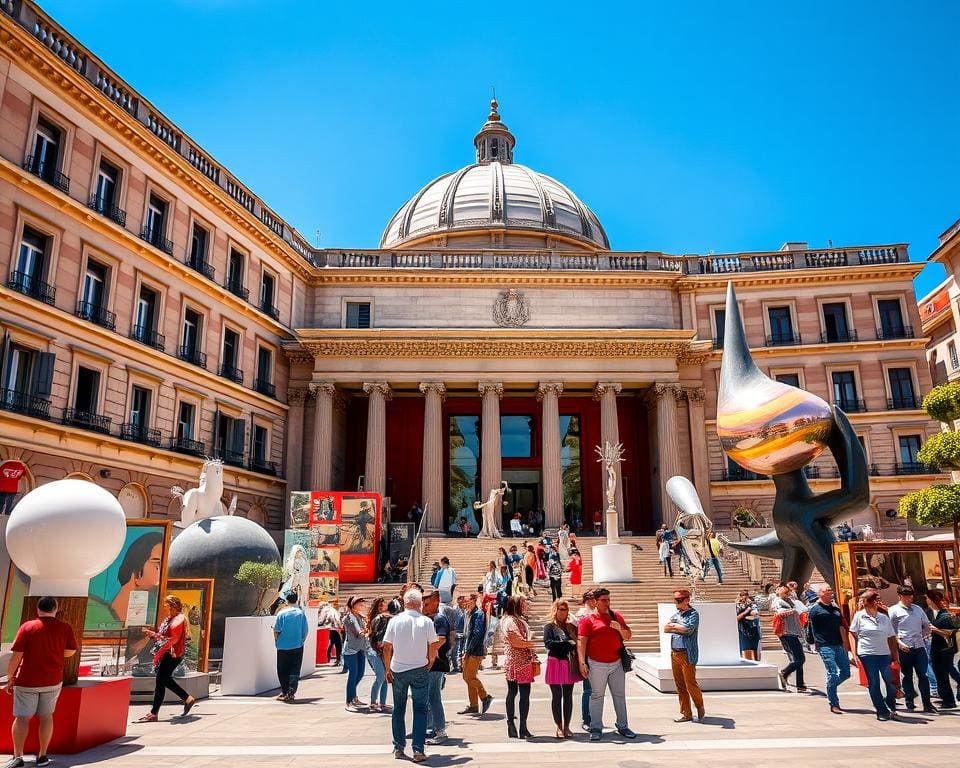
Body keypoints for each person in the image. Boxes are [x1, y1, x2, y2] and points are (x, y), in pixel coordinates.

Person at [4, 596, 78, 768]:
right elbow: (70, 651)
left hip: (27, 680)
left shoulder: (28, 627)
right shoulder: (64, 627)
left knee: (22, 718)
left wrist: (9, 677)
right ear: (55, 609)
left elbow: (17, 655)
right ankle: (43, 756)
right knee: (46, 716)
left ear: (38, 609)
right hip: (53, 680)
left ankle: (18, 757)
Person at [381, 589, 440, 763]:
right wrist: (430, 661)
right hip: (420, 668)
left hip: (398, 668)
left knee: (398, 709)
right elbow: (434, 644)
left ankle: (399, 747)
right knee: (420, 709)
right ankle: (418, 750)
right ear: (420, 603)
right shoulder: (426, 621)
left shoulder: (395, 621)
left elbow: (386, 646)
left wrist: (387, 668)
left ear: (405, 602)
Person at [577, 588, 636, 742]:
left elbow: (628, 636)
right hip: (596, 664)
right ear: (595, 601)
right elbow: (581, 642)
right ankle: (596, 727)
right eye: (604, 600)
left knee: (619, 696)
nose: (607, 603)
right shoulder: (587, 620)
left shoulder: (616, 616)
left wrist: (619, 628)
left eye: (608, 599)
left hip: (616, 663)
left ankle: (623, 726)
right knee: (596, 696)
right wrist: (582, 662)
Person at [136, 595, 197, 722]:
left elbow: (172, 639)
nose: (165, 608)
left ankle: (154, 713)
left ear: (174, 606)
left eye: (167, 606)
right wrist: (153, 635)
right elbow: (164, 636)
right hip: (168, 653)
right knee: (165, 680)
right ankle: (188, 699)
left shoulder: (178, 620)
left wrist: (156, 638)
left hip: (172, 654)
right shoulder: (171, 618)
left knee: (160, 681)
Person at [849, 589, 900, 720]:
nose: (864, 602)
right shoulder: (859, 616)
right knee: (874, 682)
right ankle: (881, 710)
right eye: (864, 600)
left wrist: (895, 656)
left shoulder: (884, 618)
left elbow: (891, 637)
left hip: (884, 654)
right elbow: (852, 634)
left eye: (866, 600)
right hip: (867, 654)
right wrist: (854, 654)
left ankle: (890, 704)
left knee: (889, 680)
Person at [888, 585, 935, 713]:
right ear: (900, 596)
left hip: (919, 646)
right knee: (907, 675)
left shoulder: (918, 609)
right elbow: (891, 632)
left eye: (911, 595)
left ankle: (927, 703)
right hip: (904, 647)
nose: (910, 598)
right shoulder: (893, 611)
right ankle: (909, 700)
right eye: (907, 596)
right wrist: (899, 644)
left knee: (923, 675)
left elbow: (926, 624)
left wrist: (926, 632)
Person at [806, 584, 850, 714]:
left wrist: (845, 641)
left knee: (846, 672)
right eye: (827, 591)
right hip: (824, 645)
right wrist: (815, 644)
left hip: (838, 644)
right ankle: (834, 702)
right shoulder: (815, 609)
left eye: (831, 590)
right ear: (820, 594)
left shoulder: (835, 607)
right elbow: (811, 628)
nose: (831, 593)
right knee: (832, 672)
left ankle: (830, 686)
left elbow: (841, 625)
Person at [543, 598, 582, 738]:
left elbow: (577, 642)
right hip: (554, 662)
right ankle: (558, 726)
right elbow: (548, 644)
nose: (563, 612)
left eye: (566, 610)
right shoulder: (549, 627)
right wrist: (566, 643)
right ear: (556, 610)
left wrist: (567, 643)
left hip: (568, 662)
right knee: (556, 696)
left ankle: (567, 726)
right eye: (561, 609)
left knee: (568, 696)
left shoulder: (570, 627)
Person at [664, 588, 704, 723]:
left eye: (679, 600)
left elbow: (688, 630)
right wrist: (677, 626)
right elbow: (665, 628)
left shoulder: (693, 614)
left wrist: (674, 626)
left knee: (690, 684)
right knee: (679, 685)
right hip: (675, 652)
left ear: (687, 600)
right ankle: (686, 713)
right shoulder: (676, 615)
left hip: (687, 653)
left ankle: (699, 706)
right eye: (675, 600)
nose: (676, 602)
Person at [501, 596, 537, 739]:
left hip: (521, 661)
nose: (525, 605)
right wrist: (532, 644)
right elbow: (516, 640)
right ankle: (514, 725)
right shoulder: (511, 620)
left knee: (520, 694)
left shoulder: (514, 619)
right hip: (518, 661)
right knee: (517, 693)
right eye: (522, 603)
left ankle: (521, 726)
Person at [421, 590, 451, 745]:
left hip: (435, 663)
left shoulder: (439, 619)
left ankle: (440, 730)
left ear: (436, 602)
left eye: (426, 604)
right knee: (430, 698)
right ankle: (433, 728)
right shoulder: (431, 618)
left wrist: (428, 656)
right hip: (432, 663)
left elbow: (441, 640)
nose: (423, 608)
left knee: (433, 698)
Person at [458, 593, 493, 716]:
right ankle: (473, 705)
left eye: (467, 601)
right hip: (469, 649)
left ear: (474, 600)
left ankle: (485, 697)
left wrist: (468, 650)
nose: (465, 603)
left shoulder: (478, 615)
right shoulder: (470, 614)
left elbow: (477, 634)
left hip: (475, 650)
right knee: (468, 677)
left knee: (468, 677)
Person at [272, 590, 309, 702]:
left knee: (282, 670)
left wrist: (277, 640)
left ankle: (284, 691)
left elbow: (276, 630)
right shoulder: (300, 613)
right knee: (294, 669)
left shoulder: (281, 613)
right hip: (297, 645)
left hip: (283, 646)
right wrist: (301, 641)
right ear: (296, 600)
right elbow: (305, 630)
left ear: (287, 601)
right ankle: (291, 692)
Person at [771, 585, 807, 692]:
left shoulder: (790, 601)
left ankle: (800, 684)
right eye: (785, 592)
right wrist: (793, 611)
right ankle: (784, 673)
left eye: (788, 592)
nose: (787, 594)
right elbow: (780, 613)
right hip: (787, 632)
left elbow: (800, 611)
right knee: (800, 659)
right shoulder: (778, 601)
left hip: (793, 632)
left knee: (799, 659)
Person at [925, 589, 957, 710]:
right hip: (940, 648)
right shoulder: (937, 613)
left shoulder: (944, 616)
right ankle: (947, 699)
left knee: (942, 674)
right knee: (944, 673)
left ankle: (948, 700)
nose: (926, 600)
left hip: (943, 649)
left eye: (927, 598)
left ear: (932, 599)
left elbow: (949, 633)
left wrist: (933, 629)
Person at [575, 591, 597, 731]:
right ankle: (587, 719)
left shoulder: (597, 613)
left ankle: (594, 718)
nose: (594, 601)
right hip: (588, 655)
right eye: (592, 599)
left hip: (598, 655)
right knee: (588, 690)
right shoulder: (582, 614)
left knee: (595, 690)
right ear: (587, 600)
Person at [343, 596, 370, 710]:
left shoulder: (359, 616)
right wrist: (368, 630)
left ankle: (353, 696)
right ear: (353, 605)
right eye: (359, 604)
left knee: (360, 673)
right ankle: (349, 700)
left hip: (360, 648)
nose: (362, 606)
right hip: (351, 649)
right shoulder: (350, 618)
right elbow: (358, 632)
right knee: (353, 674)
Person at [367, 597, 392, 713]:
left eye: (384, 605)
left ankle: (382, 703)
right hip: (375, 651)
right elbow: (377, 637)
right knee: (381, 676)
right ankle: (373, 702)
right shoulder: (379, 618)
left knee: (385, 678)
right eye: (380, 605)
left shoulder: (384, 618)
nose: (383, 607)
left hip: (379, 651)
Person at [735, 590, 761, 661]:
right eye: (742, 595)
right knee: (745, 648)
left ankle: (755, 662)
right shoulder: (737, 606)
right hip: (743, 629)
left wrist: (751, 609)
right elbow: (736, 618)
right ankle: (746, 661)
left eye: (746, 595)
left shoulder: (752, 605)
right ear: (740, 597)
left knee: (754, 648)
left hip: (753, 629)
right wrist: (746, 611)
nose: (744, 597)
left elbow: (755, 613)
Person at [318, 600, 344, 667]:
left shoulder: (325, 610)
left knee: (331, 644)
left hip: (329, 629)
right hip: (335, 629)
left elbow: (322, 620)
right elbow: (337, 619)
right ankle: (338, 659)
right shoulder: (332, 610)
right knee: (337, 644)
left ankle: (329, 658)